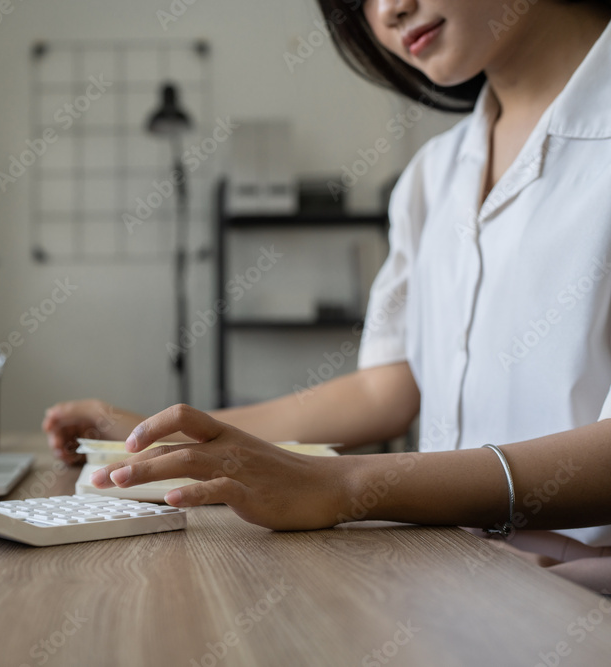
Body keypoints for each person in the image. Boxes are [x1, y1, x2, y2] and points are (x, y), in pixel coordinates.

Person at [42, 0, 611, 592]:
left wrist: (345, 486)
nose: (390, 10)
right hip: (458, 577)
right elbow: (382, 390)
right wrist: (175, 435)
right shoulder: (432, 175)